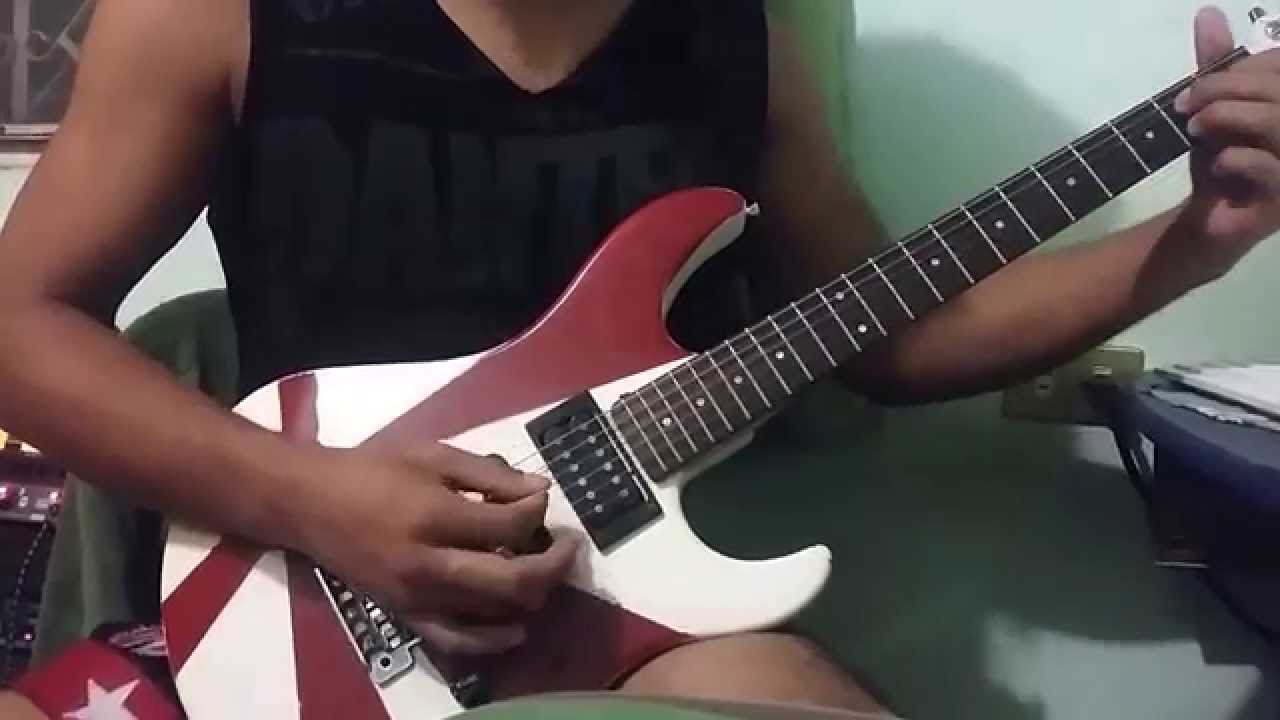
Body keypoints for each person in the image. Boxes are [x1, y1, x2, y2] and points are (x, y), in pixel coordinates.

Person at [0, 0, 1277, 716]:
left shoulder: (734, 34)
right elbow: (19, 325)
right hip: (282, 605)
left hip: (616, 607)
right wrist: (321, 504)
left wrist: (1189, 244)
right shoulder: (215, 11)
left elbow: (890, 337)